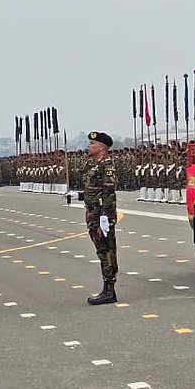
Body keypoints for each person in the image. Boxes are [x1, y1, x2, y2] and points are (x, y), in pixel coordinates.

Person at [83, 131, 119, 305]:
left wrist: (105, 215)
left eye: (93, 144)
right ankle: (107, 288)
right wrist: (80, 196)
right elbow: (94, 190)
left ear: (102, 147)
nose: (89, 146)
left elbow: (108, 191)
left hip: (101, 215)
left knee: (107, 251)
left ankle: (109, 290)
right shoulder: (94, 165)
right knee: (101, 250)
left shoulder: (106, 165)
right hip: (93, 213)